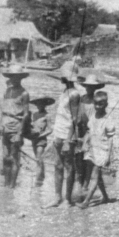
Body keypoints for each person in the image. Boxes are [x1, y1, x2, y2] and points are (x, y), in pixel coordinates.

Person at [45, 61, 81, 208]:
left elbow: (74, 119)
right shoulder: (65, 92)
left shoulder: (74, 94)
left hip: (67, 134)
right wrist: (54, 136)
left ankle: (68, 199)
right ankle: (57, 197)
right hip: (58, 133)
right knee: (57, 165)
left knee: (68, 166)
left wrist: (67, 140)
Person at [78, 90, 115, 209]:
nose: (98, 106)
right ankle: (105, 197)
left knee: (94, 176)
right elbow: (89, 131)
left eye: (101, 104)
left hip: (102, 151)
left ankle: (86, 201)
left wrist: (109, 155)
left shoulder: (108, 119)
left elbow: (110, 139)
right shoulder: (93, 116)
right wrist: (84, 143)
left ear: (106, 104)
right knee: (97, 176)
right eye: (96, 103)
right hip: (92, 149)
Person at [0, 64, 30, 188]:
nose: (13, 79)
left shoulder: (24, 93)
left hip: (16, 127)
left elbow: (26, 115)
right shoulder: (7, 91)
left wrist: (19, 133)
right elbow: (3, 110)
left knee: (14, 158)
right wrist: (0, 126)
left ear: (21, 78)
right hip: (5, 126)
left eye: (16, 77)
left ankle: (12, 186)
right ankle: (6, 185)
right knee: (5, 158)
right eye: (12, 77)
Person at [77, 74, 106, 193]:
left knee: (90, 160)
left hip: (92, 131)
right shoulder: (82, 99)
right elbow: (78, 115)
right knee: (80, 158)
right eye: (88, 87)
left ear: (95, 89)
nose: (89, 89)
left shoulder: (97, 101)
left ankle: (85, 185)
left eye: (92, 87)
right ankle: (82, 183)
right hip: (81, 129)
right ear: (85, 87)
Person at [27, 97, 54, 187]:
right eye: (38, 104)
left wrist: (41, 135)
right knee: (38, 159)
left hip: (41, 139)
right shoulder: (34, 114)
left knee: (38, 159)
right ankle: (42, 177)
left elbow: (50, 130)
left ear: (45, 105)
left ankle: (37, 181)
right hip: (34, 139)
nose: (39, 106)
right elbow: (32, 126)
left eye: (41, 104)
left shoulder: (47, 115)